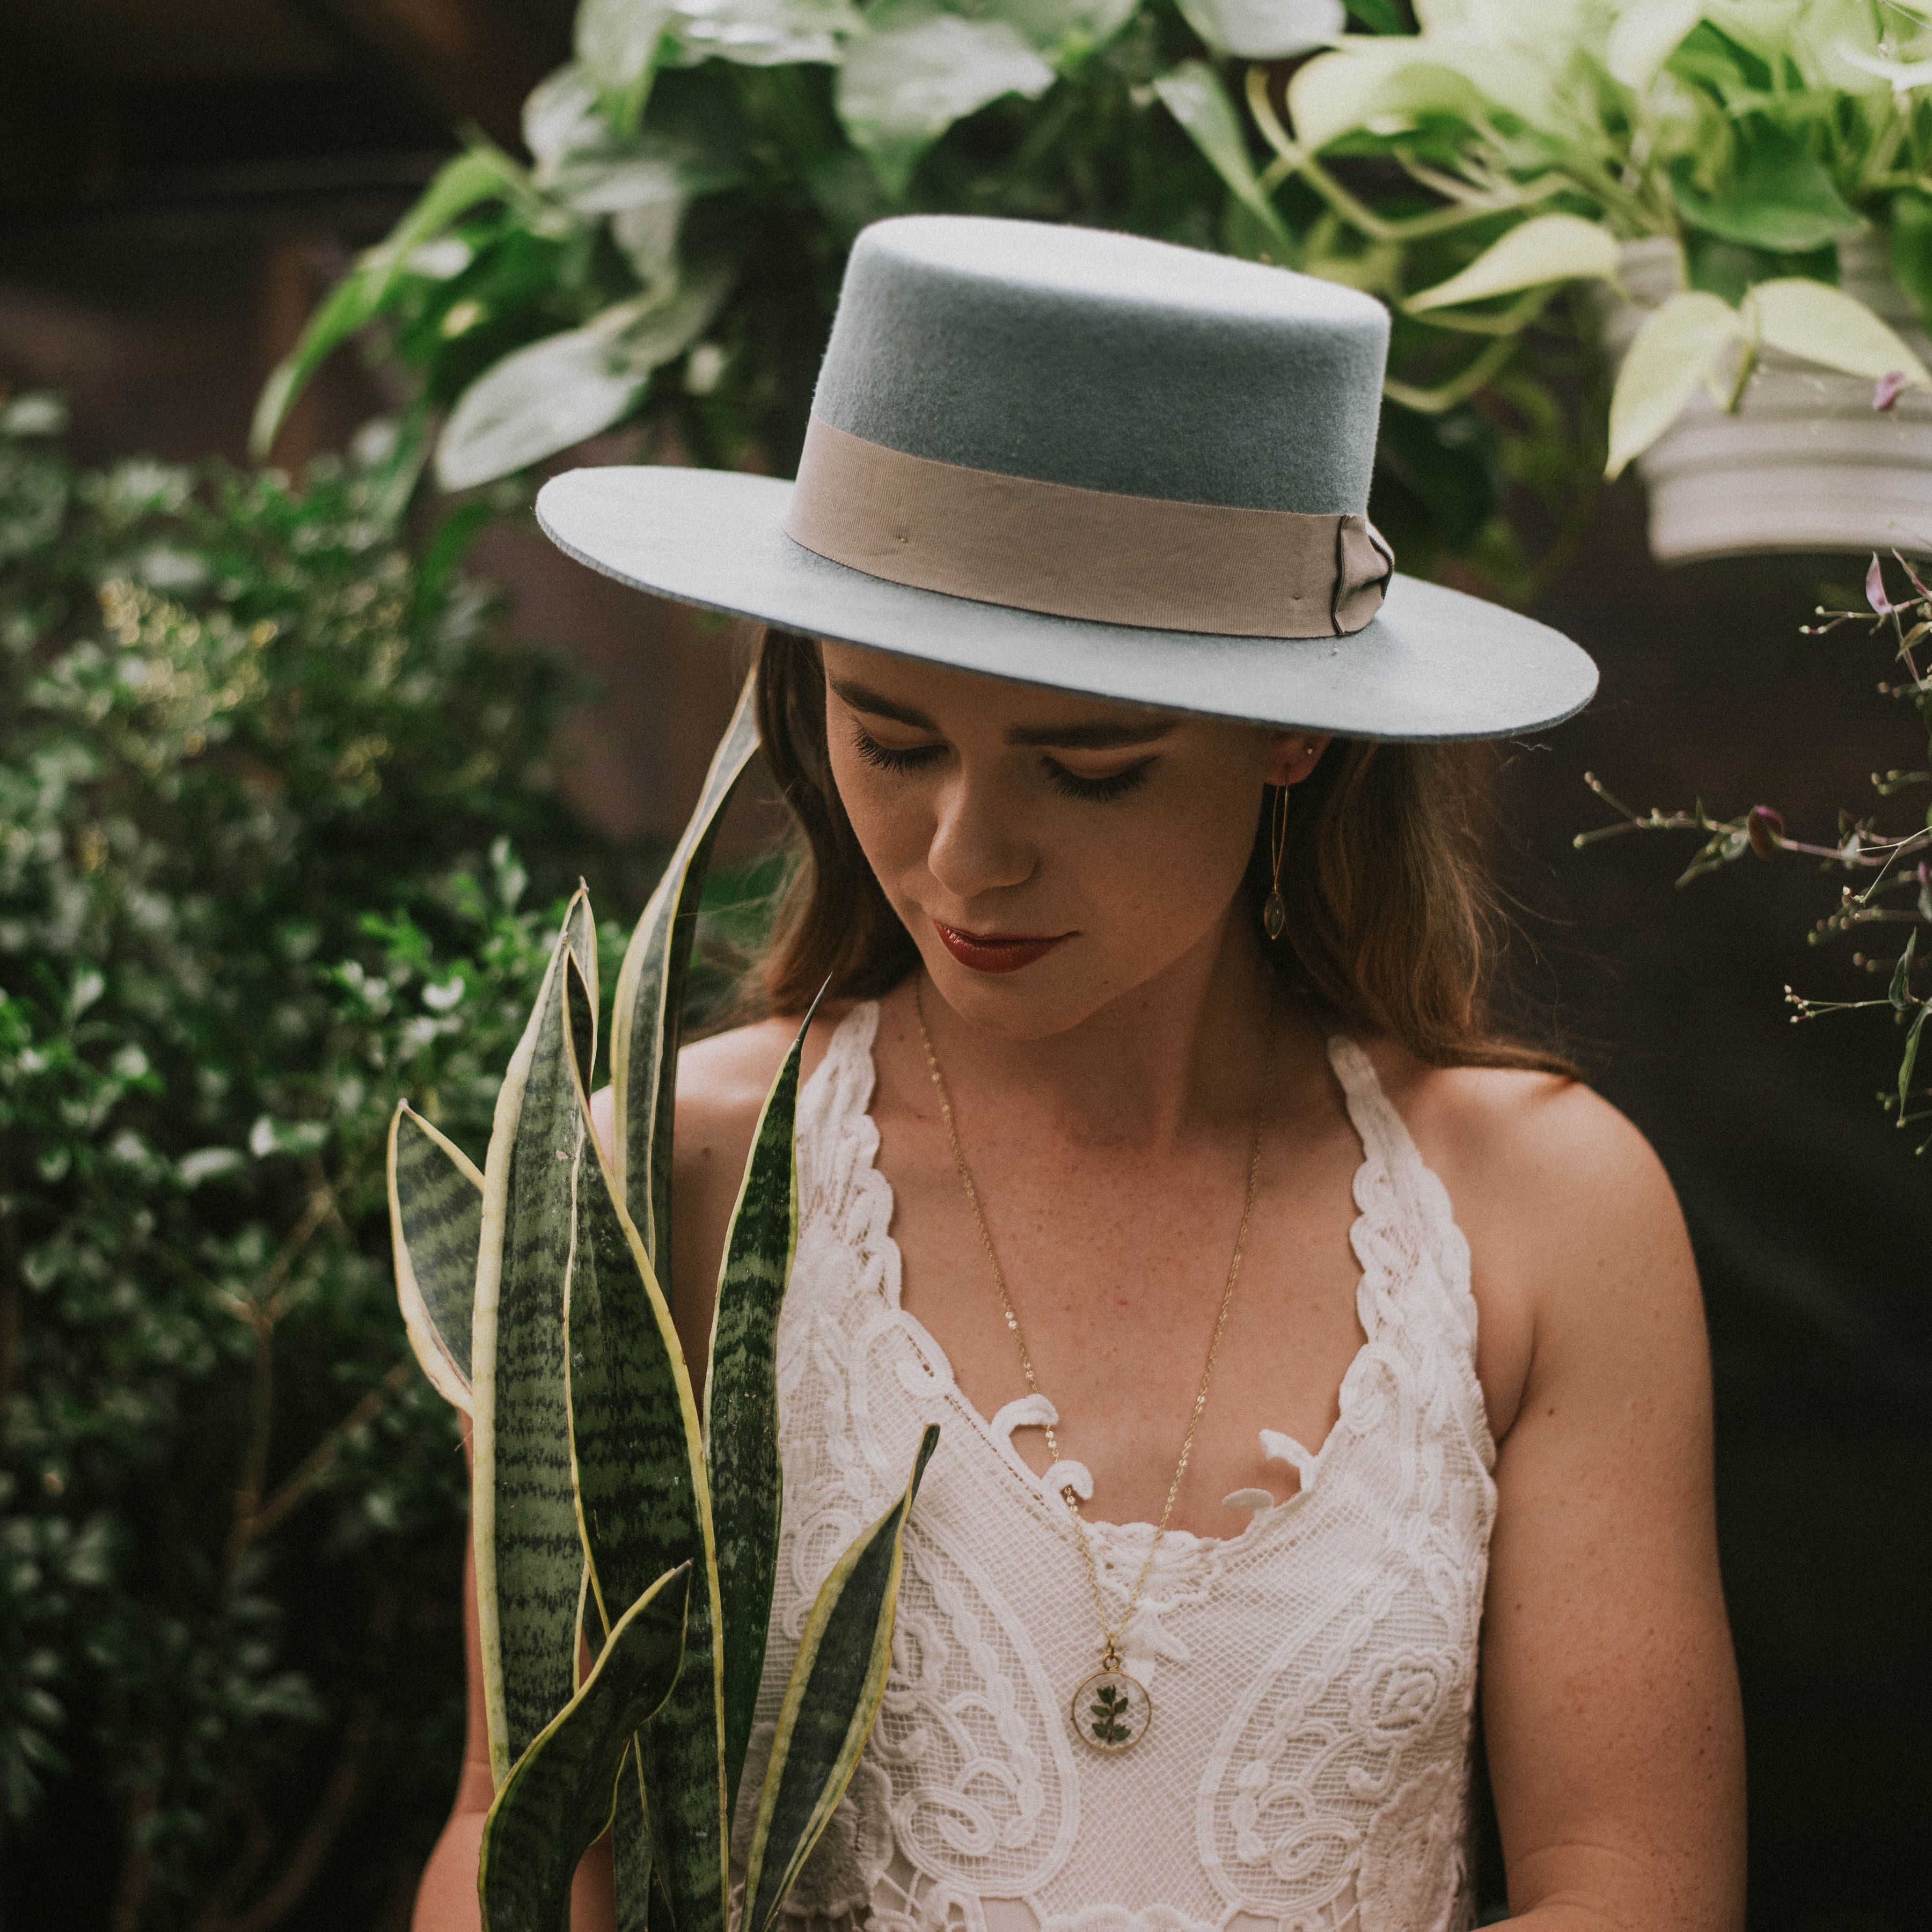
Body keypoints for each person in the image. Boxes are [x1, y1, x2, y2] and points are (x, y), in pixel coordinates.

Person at [417, 216, 1744, 1932]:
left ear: (1296, 729)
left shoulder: (1545, 1208)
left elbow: (1634, 1885)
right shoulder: (660, 1175)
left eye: (1092, 768)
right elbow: (514, 1844)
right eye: (890, 737)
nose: (966, 861)